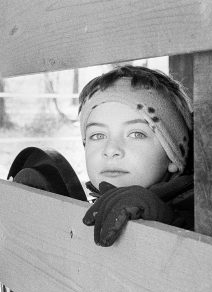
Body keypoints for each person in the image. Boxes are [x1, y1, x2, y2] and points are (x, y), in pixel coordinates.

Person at [79, 65, 194, 247]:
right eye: (97, 135)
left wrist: (161, 215)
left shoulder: (201, 213)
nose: (111, 149)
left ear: (173, 156)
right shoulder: (83, 201)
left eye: (136, 134)